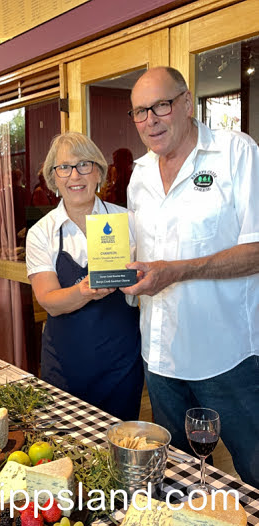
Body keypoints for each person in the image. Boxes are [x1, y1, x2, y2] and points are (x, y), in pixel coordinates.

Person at [122, 66, 259, 487]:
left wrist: (177, 272)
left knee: (254, 470)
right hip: (161, 358)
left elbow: (256, 249)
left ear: (185, 102)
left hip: (226, 358)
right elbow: (140, 255)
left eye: (160, 105)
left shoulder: (237, 153)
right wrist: (123, 275)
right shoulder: (140, 174)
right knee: (176, 477)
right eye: (140, 111)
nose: (150, 120)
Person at [26, 132, 143, 421]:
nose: (74, 175)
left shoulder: (128, 222)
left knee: (120, 448)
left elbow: (148, 285)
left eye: (84, 165)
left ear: (99, 172)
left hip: (121, 364)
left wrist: (139, 285)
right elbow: (49, 301)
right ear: (54, 178)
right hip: (64, 367)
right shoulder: (42, 232)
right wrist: (85, 290)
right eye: (64, 167)